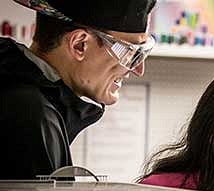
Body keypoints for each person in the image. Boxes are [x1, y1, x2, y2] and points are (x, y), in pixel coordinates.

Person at [0, 0, 157, 180]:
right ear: (79, 45)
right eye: (131, 52)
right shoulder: (29, 115)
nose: (138, 69)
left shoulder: (18, 93)